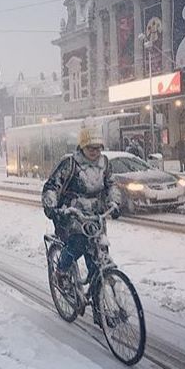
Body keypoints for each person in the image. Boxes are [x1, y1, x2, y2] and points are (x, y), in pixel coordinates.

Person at [41, 126, 121, 326]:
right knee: (77, 244)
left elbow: (111, 184)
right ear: (83, 146)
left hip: (95, 218)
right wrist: (52, 207)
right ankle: (61, 273)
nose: (94, 151)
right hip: (71, 215)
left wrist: (114, 202)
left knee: (97, 260)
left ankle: (98, 311)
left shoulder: (104, 164)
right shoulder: (70, 163)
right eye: (90, 147)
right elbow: (52, 186)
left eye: (98, 147)